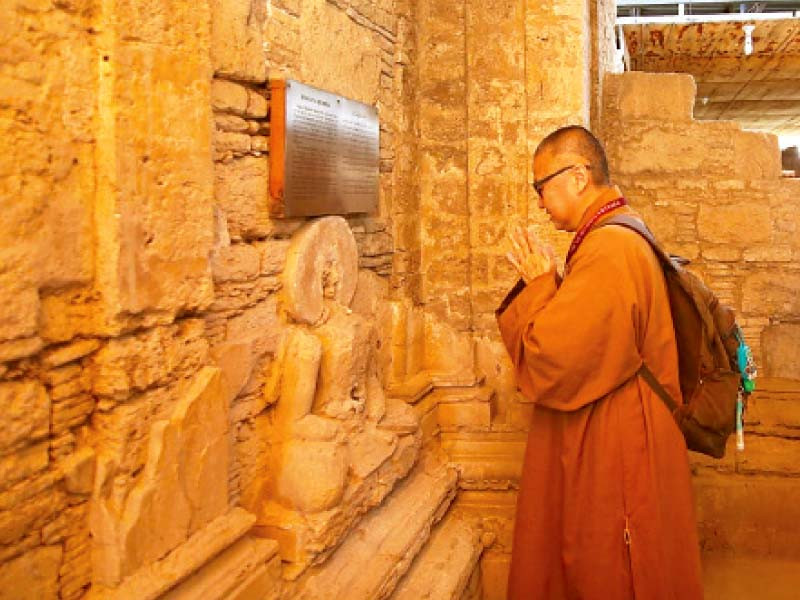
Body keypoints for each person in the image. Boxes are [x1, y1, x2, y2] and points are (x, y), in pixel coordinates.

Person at [496, 125, 704, 599]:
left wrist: (541, 286)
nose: (540, 202)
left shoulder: (610, 249)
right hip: (625, 427)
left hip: (620, 441)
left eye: (541, 187)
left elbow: (556, 358)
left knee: (611, 565)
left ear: (577, 176)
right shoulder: (613, 235)